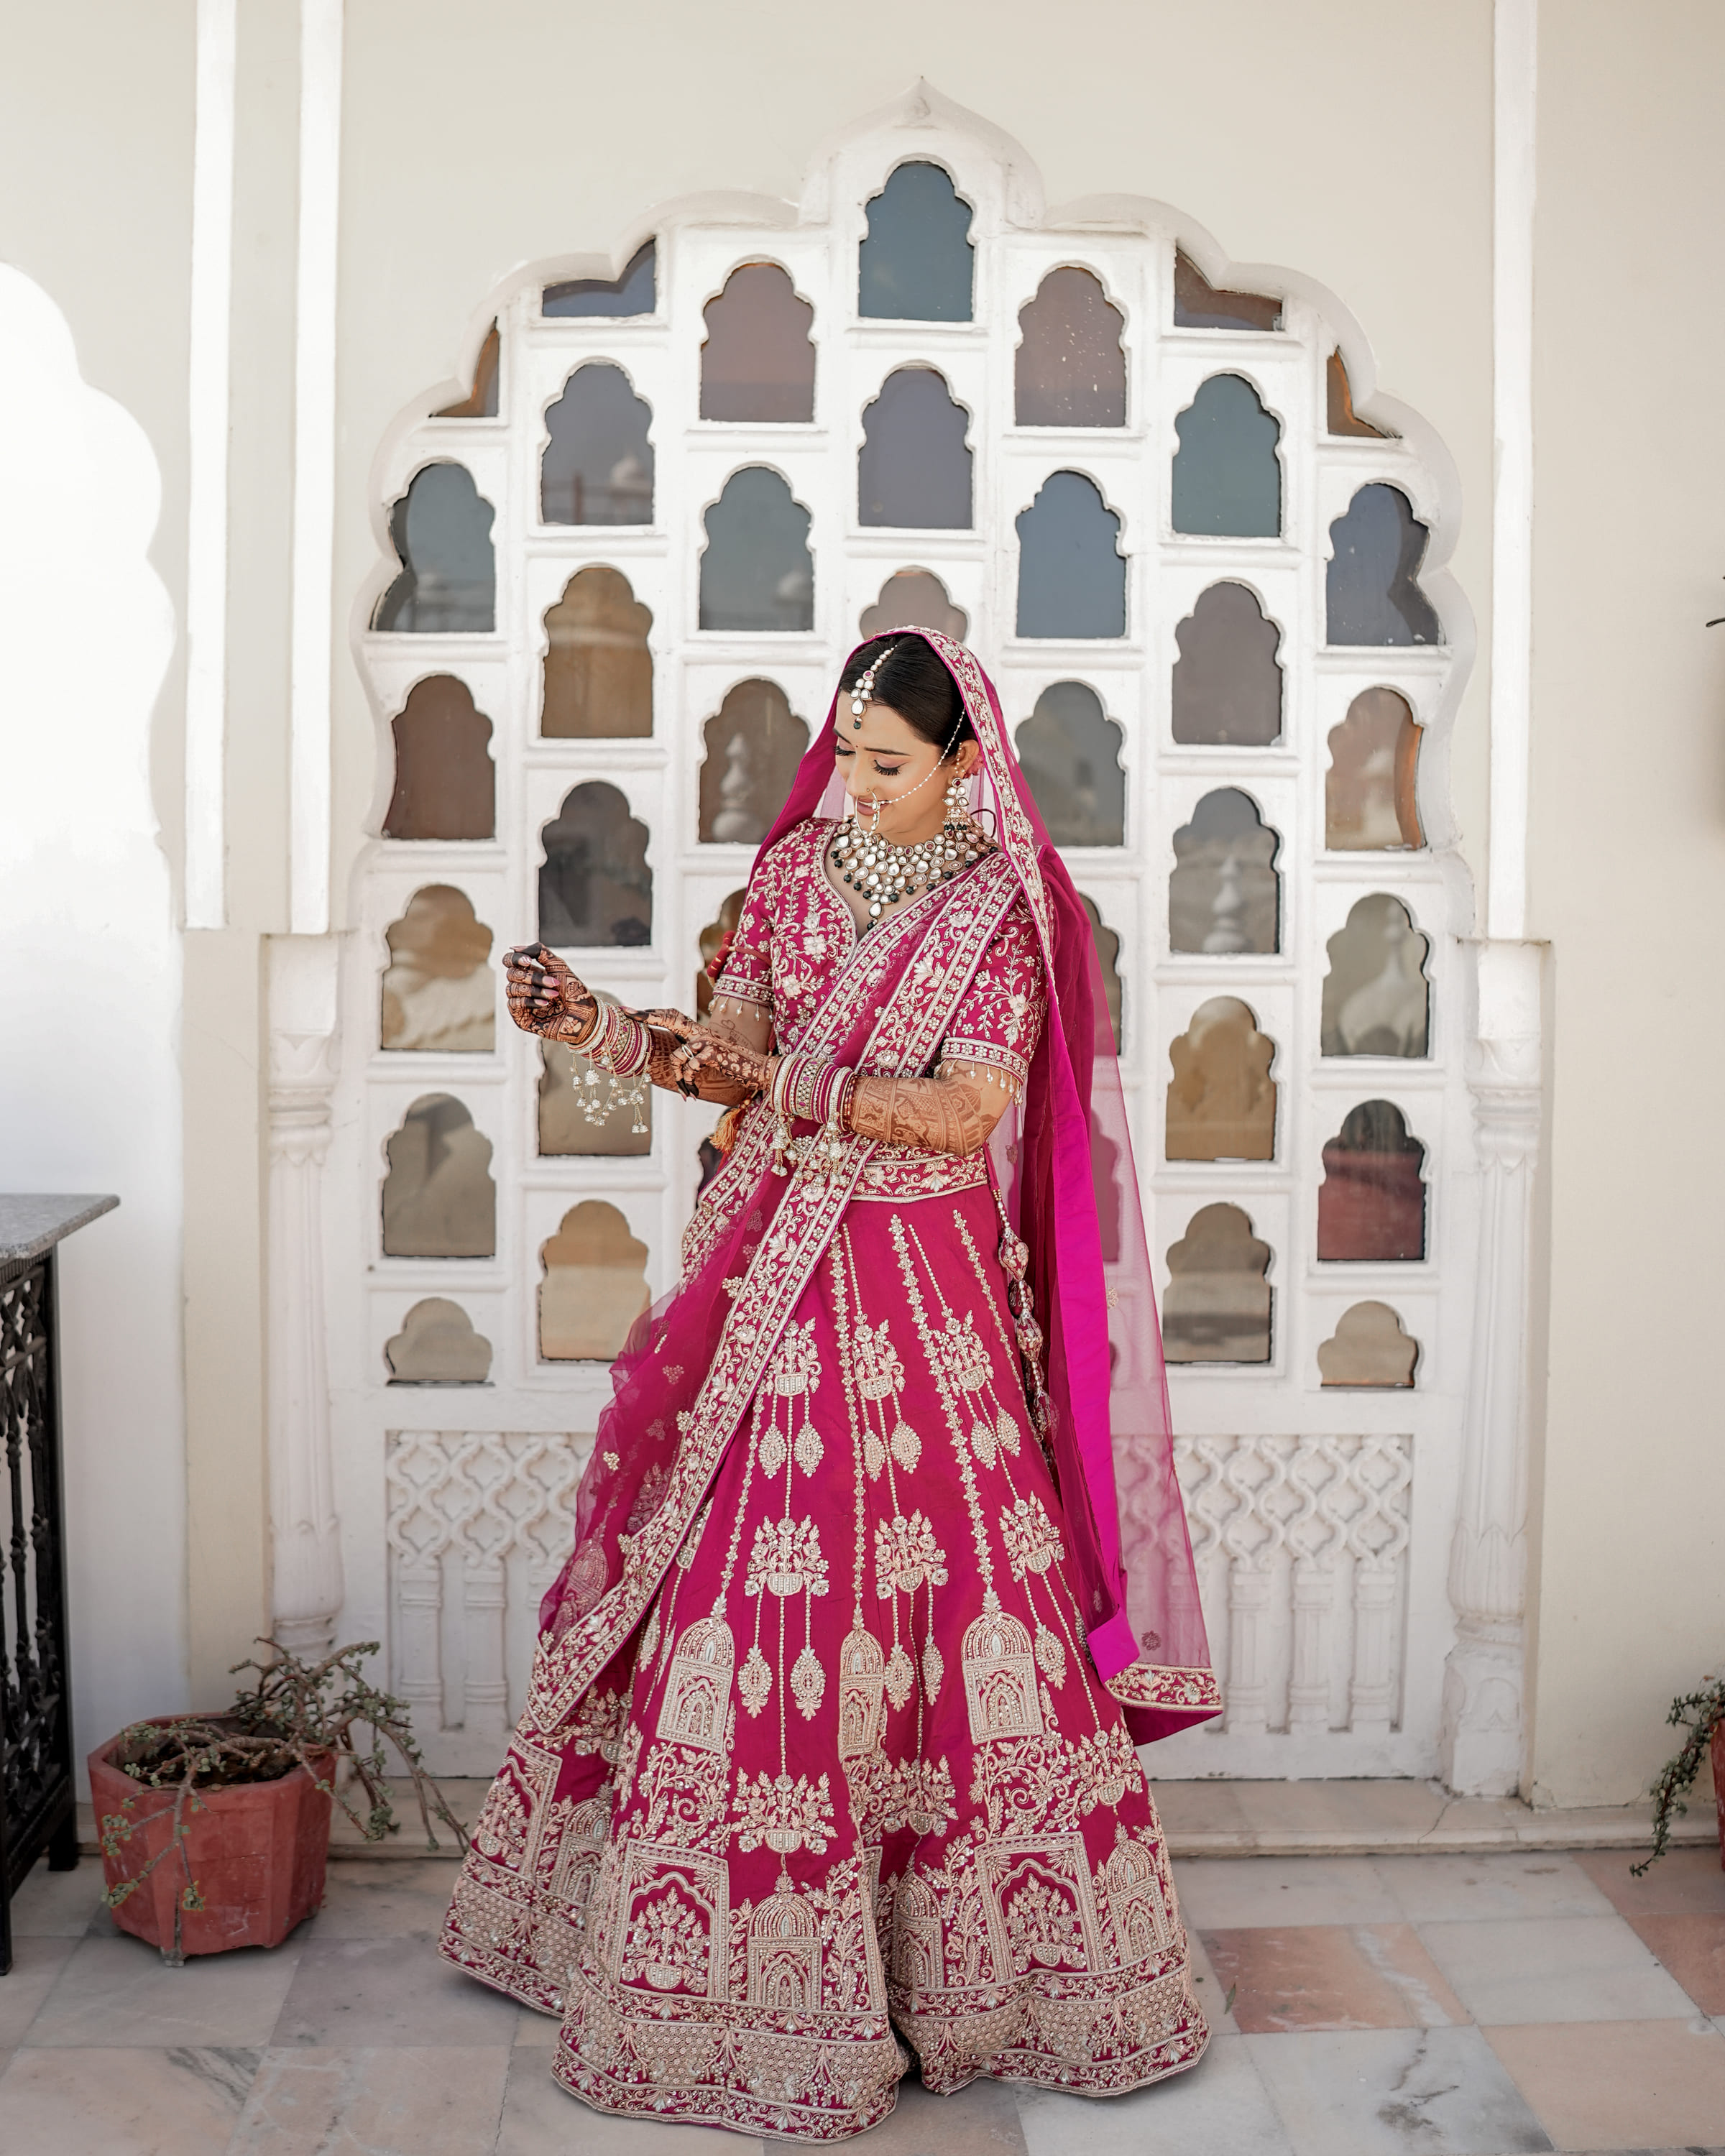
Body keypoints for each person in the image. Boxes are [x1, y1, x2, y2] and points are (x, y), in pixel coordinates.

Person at [439, 630, 1221, 2139]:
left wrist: (789, 1089)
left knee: (956, 1601)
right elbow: (727, 1055)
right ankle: (718, 1981)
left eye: (890, 764)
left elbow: (965, 1111)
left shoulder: (1001, 911)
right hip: (776, 1281)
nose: (858, 786)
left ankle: (991, 1979)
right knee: (744, 1592)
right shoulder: (795, 877)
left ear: (962, 763)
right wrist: (603, 1026)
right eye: (848, 756)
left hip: (922, 1293)